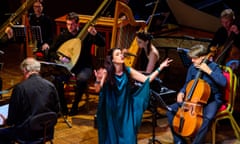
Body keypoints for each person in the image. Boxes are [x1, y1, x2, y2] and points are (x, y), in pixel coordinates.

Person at [94, 47, 172, 144]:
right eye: (118, 54)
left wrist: (161, 67)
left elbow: (147, 79)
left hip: (126, 110)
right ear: (113, 60)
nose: (121, 55)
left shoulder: (128, 71)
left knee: (129, 138)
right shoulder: (107, 72)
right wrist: (99, 79)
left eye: (121, 54)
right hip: (112, 111)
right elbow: (98, 90)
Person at [166, 44, 227, 144]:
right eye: (191, 58)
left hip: (212, 99)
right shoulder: (192, 68)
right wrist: (181, 92)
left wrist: (208, 71)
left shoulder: (214, 67)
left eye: (194, 58)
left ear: (203, 57)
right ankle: (179, 141)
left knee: (208, 118)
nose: (192, 61)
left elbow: (223, 82)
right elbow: (187, 83)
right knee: (170, 111)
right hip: (193, 99)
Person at [48, 12, 105, 116]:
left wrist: (95, 34)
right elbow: (51, 51)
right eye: (68, 24)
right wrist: (60, 57)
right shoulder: (63, 36)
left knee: (82, 79)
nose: (70, 27)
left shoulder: (86, 34)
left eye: (72, 24)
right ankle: (63, 107)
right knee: (56, 79)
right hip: (68, 67)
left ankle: (75, 107)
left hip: (84, 66)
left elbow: (103, 43)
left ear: (78, 24)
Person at [0, 57, 60, 143]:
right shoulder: (50, 85)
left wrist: (7, 121)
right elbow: (57, 110)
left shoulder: (20, 88)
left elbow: (12, 119)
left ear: (25, 70)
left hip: (26, 135)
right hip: (47, 132)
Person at [209, 9, 240, 74]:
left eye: (227, 22)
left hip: (235, 60)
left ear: (232, 20)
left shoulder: (238, 29)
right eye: (222, 22)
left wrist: (237, 33)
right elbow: (212, 44)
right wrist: (210, 54)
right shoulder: (220, 31)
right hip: (220, 57)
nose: (225, 24)